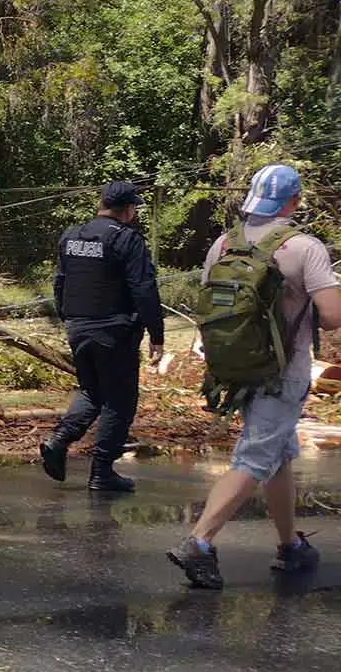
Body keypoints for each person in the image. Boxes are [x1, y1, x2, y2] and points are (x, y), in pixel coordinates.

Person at [168, 164, 340, 590]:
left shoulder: (225, 243)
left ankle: (290, 546)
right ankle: (200, 543)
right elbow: (333, 318)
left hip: (236, 370)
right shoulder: (305, 247)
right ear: (294, 202)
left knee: (277, 454)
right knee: (254, 458)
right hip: (284, 374)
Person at [40, 181, 164, 493]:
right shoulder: (127, 240)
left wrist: (69, 319)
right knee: (120, 401)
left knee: (91, 391)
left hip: (78, 327)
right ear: (127, 209)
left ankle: (58, 442)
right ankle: (102, 471)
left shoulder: (72, 236)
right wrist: (156, 333)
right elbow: (144, 289)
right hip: (114, 331)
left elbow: (60, 282)